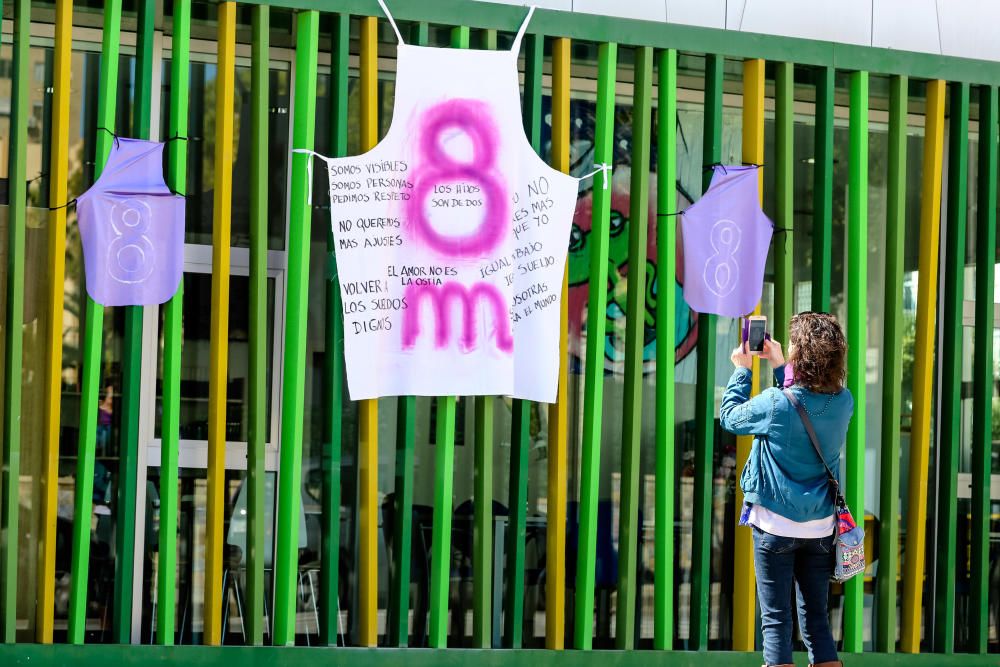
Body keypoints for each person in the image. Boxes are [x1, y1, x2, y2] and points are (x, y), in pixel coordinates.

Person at [720, 312, 853, 667]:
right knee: (817, 621)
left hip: (775, 528)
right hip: (820, 529)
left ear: (802, 355)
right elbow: (802, 405)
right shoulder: (844, 402)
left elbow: (730, 417)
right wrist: (782, 368)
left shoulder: (775, 404)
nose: (789, 348)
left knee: (777, 621)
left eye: (794, 345)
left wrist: (742, 370)